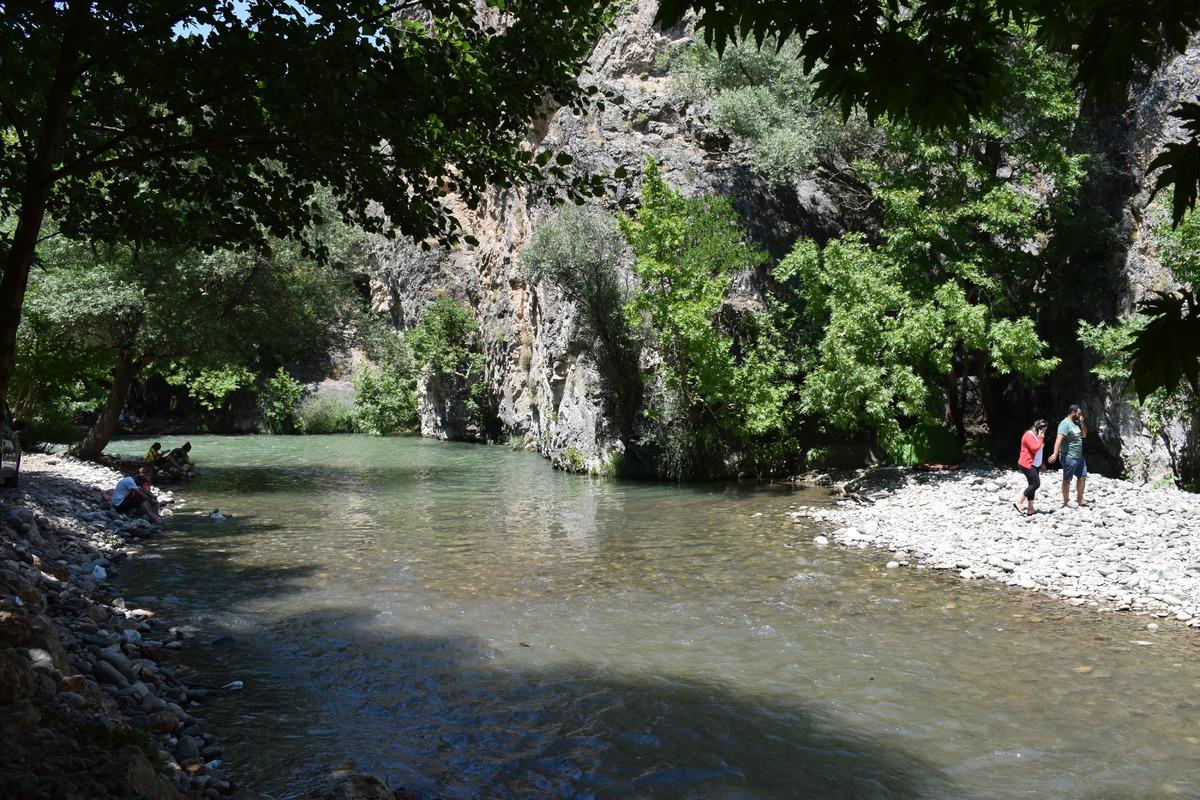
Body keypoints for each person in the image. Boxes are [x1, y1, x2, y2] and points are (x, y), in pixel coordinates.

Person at [1048, 404, 1089, 508]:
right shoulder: (1064, 424)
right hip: (1068, 457)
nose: (1080, 415)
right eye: (1079, 413)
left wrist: (1082, 423)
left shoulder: (1076, 424)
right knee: (1067, 479)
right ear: (1073, 412)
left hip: (1079, 457)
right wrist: (1055, 453)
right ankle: (1066, 502)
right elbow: (1059, 438)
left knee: (1083, 476)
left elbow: (1084, 435)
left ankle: (1080, 499)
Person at [1014, 419, 1047, 516]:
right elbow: (1034, 448)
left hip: (1036, 464)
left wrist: (1042, 463)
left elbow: (1039, 451)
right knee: (1036, 484)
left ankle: (1030, 509)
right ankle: (1019, 501)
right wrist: (1041, 438)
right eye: (1043, 430)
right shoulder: (1028, 435)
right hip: (1026, 463)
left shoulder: (1038, 436)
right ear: (1039, 428)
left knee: (1032, 485)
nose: (1044, 432)